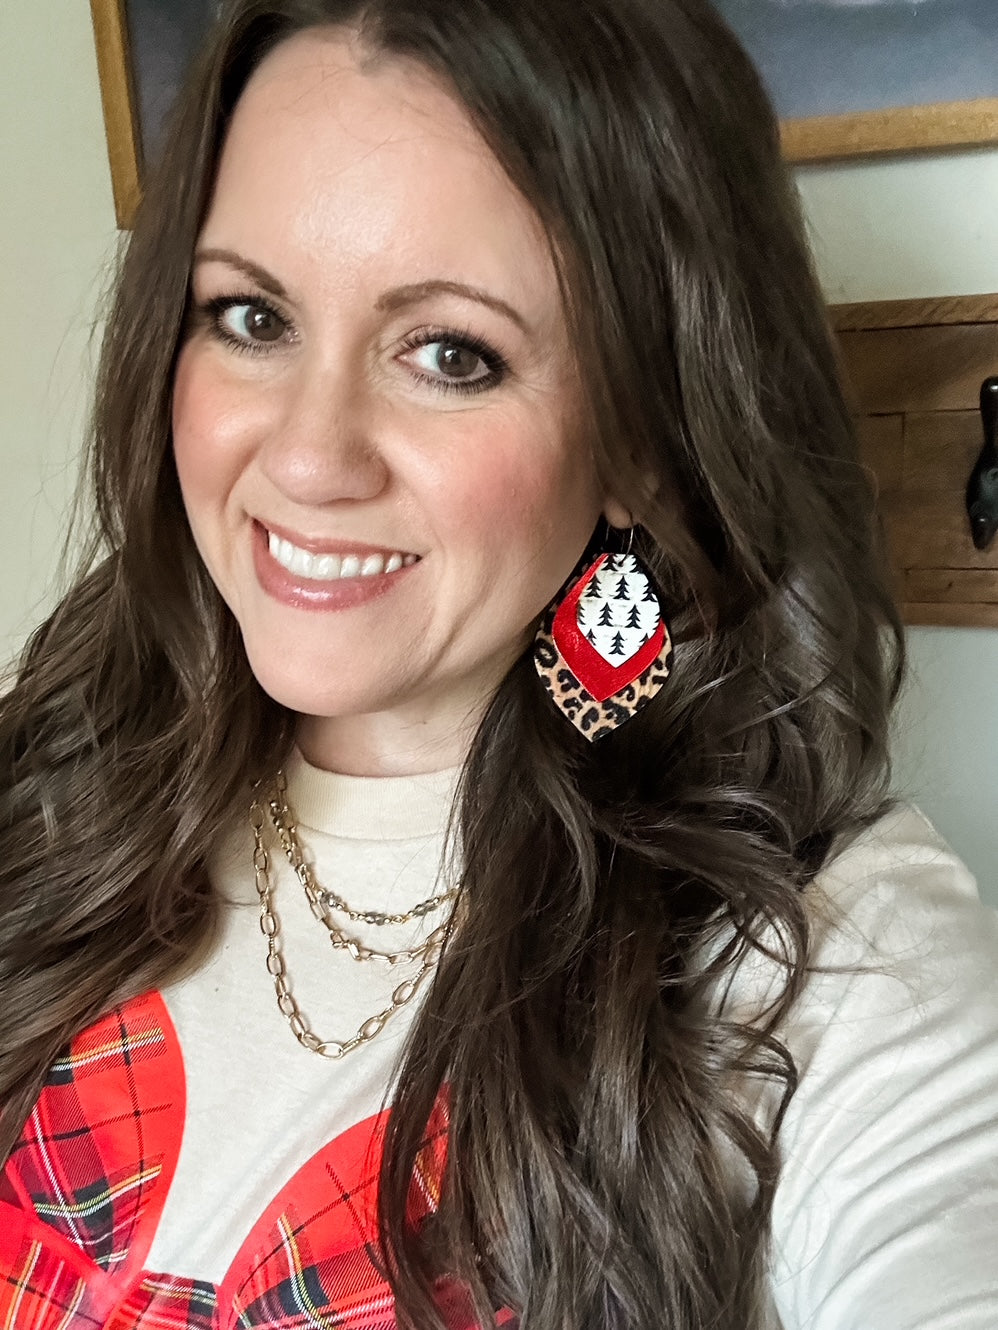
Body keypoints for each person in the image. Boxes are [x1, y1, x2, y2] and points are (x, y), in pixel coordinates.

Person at [1, 0, 996, 1326]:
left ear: (642, 438)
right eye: (249, 316)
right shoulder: (44, 785)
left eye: (449, 354)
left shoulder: (821, 961)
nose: (305, 456)